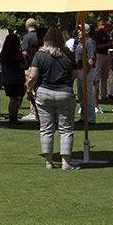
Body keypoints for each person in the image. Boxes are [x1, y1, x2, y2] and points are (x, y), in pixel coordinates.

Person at [27, 27, 78, 170]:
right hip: (64, 92)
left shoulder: (39, 55)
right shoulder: (68, 55)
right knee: (66, 130)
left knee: (46, 129)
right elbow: (75, 74)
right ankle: (66, 163)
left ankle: (49, 162)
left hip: (44, 92)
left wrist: (29, 90)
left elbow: (32, 76)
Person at [0, 31, 27, 123]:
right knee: (15, 99)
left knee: (12, 98)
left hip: (7, 78)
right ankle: (12, 117)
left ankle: (13, 116)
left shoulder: (4, 53)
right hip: (16, 78)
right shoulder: (16, 53)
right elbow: (23, 65)